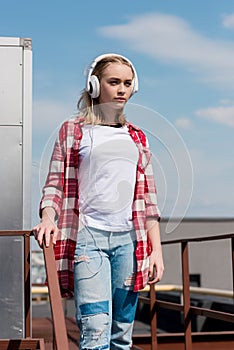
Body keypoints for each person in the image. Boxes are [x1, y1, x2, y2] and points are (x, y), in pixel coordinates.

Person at [33, 53, 164, 350]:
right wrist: (48, 218)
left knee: (121, 332)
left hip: (130, 242)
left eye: (127, 83)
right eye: (113, 82)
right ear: (95, 85)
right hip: (88, 239)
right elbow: (55, 183)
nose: (121, 89)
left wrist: (156, 249)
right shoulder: (74, 130)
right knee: (94, 329)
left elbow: (148, 199)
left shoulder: (138, 138)